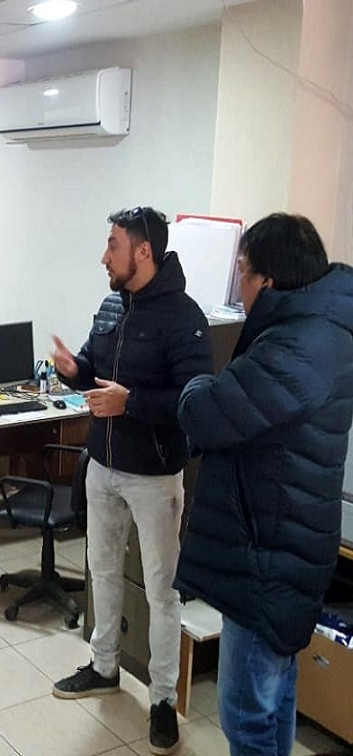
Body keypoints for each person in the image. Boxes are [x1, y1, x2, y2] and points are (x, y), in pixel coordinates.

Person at [175, 213, 353, 756]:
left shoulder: (294, 347)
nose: (240, 289)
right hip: (289, 541)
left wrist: (200, 380)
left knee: (246, 714)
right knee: (275, 700)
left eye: (243, 275)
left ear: (268, 281)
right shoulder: (326, 329)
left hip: (267, 558)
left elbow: (205, 413)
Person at [50, 206, 212, 755]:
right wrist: (73, 370)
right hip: (103, 464)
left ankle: (163, 700)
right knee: (101, 570)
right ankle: (103, 666)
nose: (104, 256)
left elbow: (194, 401)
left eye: (113, 245)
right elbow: (93, 366)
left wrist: (132, 403)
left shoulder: (184, 317)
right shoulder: (112, 306)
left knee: (164, 590)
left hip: (155, 477)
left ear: (143, 251)